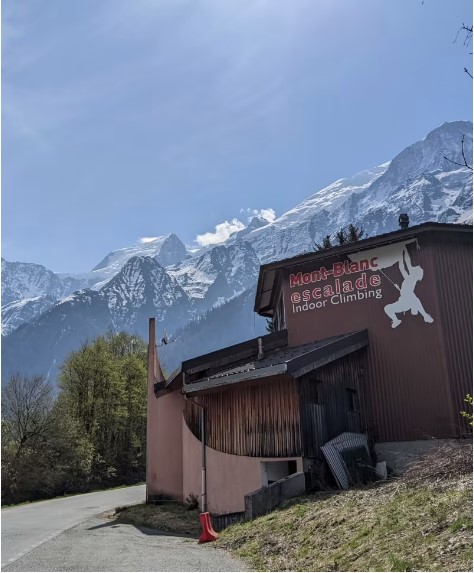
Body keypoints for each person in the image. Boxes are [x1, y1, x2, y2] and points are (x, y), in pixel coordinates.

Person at [384, 248, 434, 328]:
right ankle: (397, 320)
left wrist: (402, 256)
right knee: (387, 308)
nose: (411, 270)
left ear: (415, 273)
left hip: (407, 300)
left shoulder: (411, 278)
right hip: (403, 302)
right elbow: (403, 269)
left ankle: (424, 315)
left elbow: (404, 267)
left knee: (413, 298)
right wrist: (399, 288)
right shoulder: (409, 279)